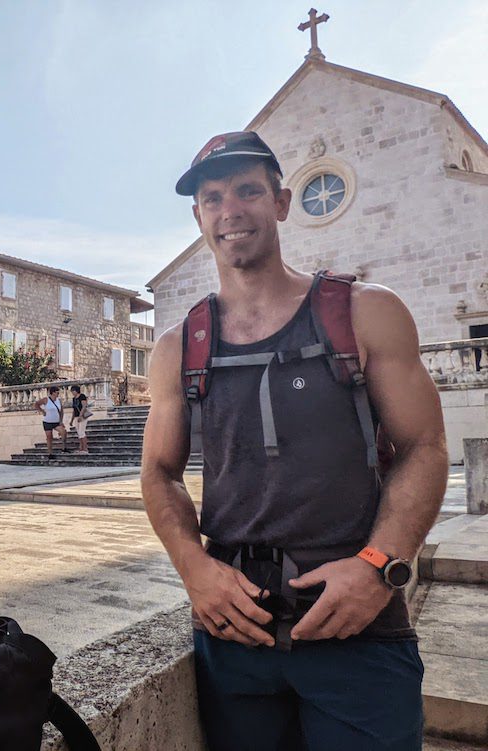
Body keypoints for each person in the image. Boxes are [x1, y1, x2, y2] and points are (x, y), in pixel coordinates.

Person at [141, 131, 448, 750]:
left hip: (356, 630)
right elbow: (159, 472)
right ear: (198, 215)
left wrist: (378, 566)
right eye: (213, 196)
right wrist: (192, 567)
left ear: (281, 202)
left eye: (248, 190)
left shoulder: (365, 311)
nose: (231, 210)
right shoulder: (180, 345)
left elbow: (425, 446)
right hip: (235, 637)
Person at [33, 385, 69, 459]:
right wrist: (42, 411)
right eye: (57, 392)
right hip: (47, 421)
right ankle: (50, 453)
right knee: (49, 437)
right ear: (52, 393)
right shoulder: (46, 400)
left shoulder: (58, 401)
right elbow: (36, 404)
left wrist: (61, 421)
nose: (58, 394)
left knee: (63, 432)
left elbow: (61, 411)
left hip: (56, 421)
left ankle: (64, 447)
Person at [69, 385, 90, 453]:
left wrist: (80, 416)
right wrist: (71, 420)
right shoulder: (74, 399)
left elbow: (84, 406)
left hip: (82, 416)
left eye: (73, 391)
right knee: (79, 432)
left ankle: (85, 448)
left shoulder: (82, 396)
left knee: (82, 432)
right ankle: (81, 447)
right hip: (76, 416)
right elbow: (74, 410)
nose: (72, 392)